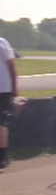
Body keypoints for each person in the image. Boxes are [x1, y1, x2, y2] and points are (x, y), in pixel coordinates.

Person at [0, 36, 18, 169]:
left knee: (1, 123)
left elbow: (11, 65)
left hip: (3, 89)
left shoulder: (1, 43)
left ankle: (3, 154)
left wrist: (14, 86)